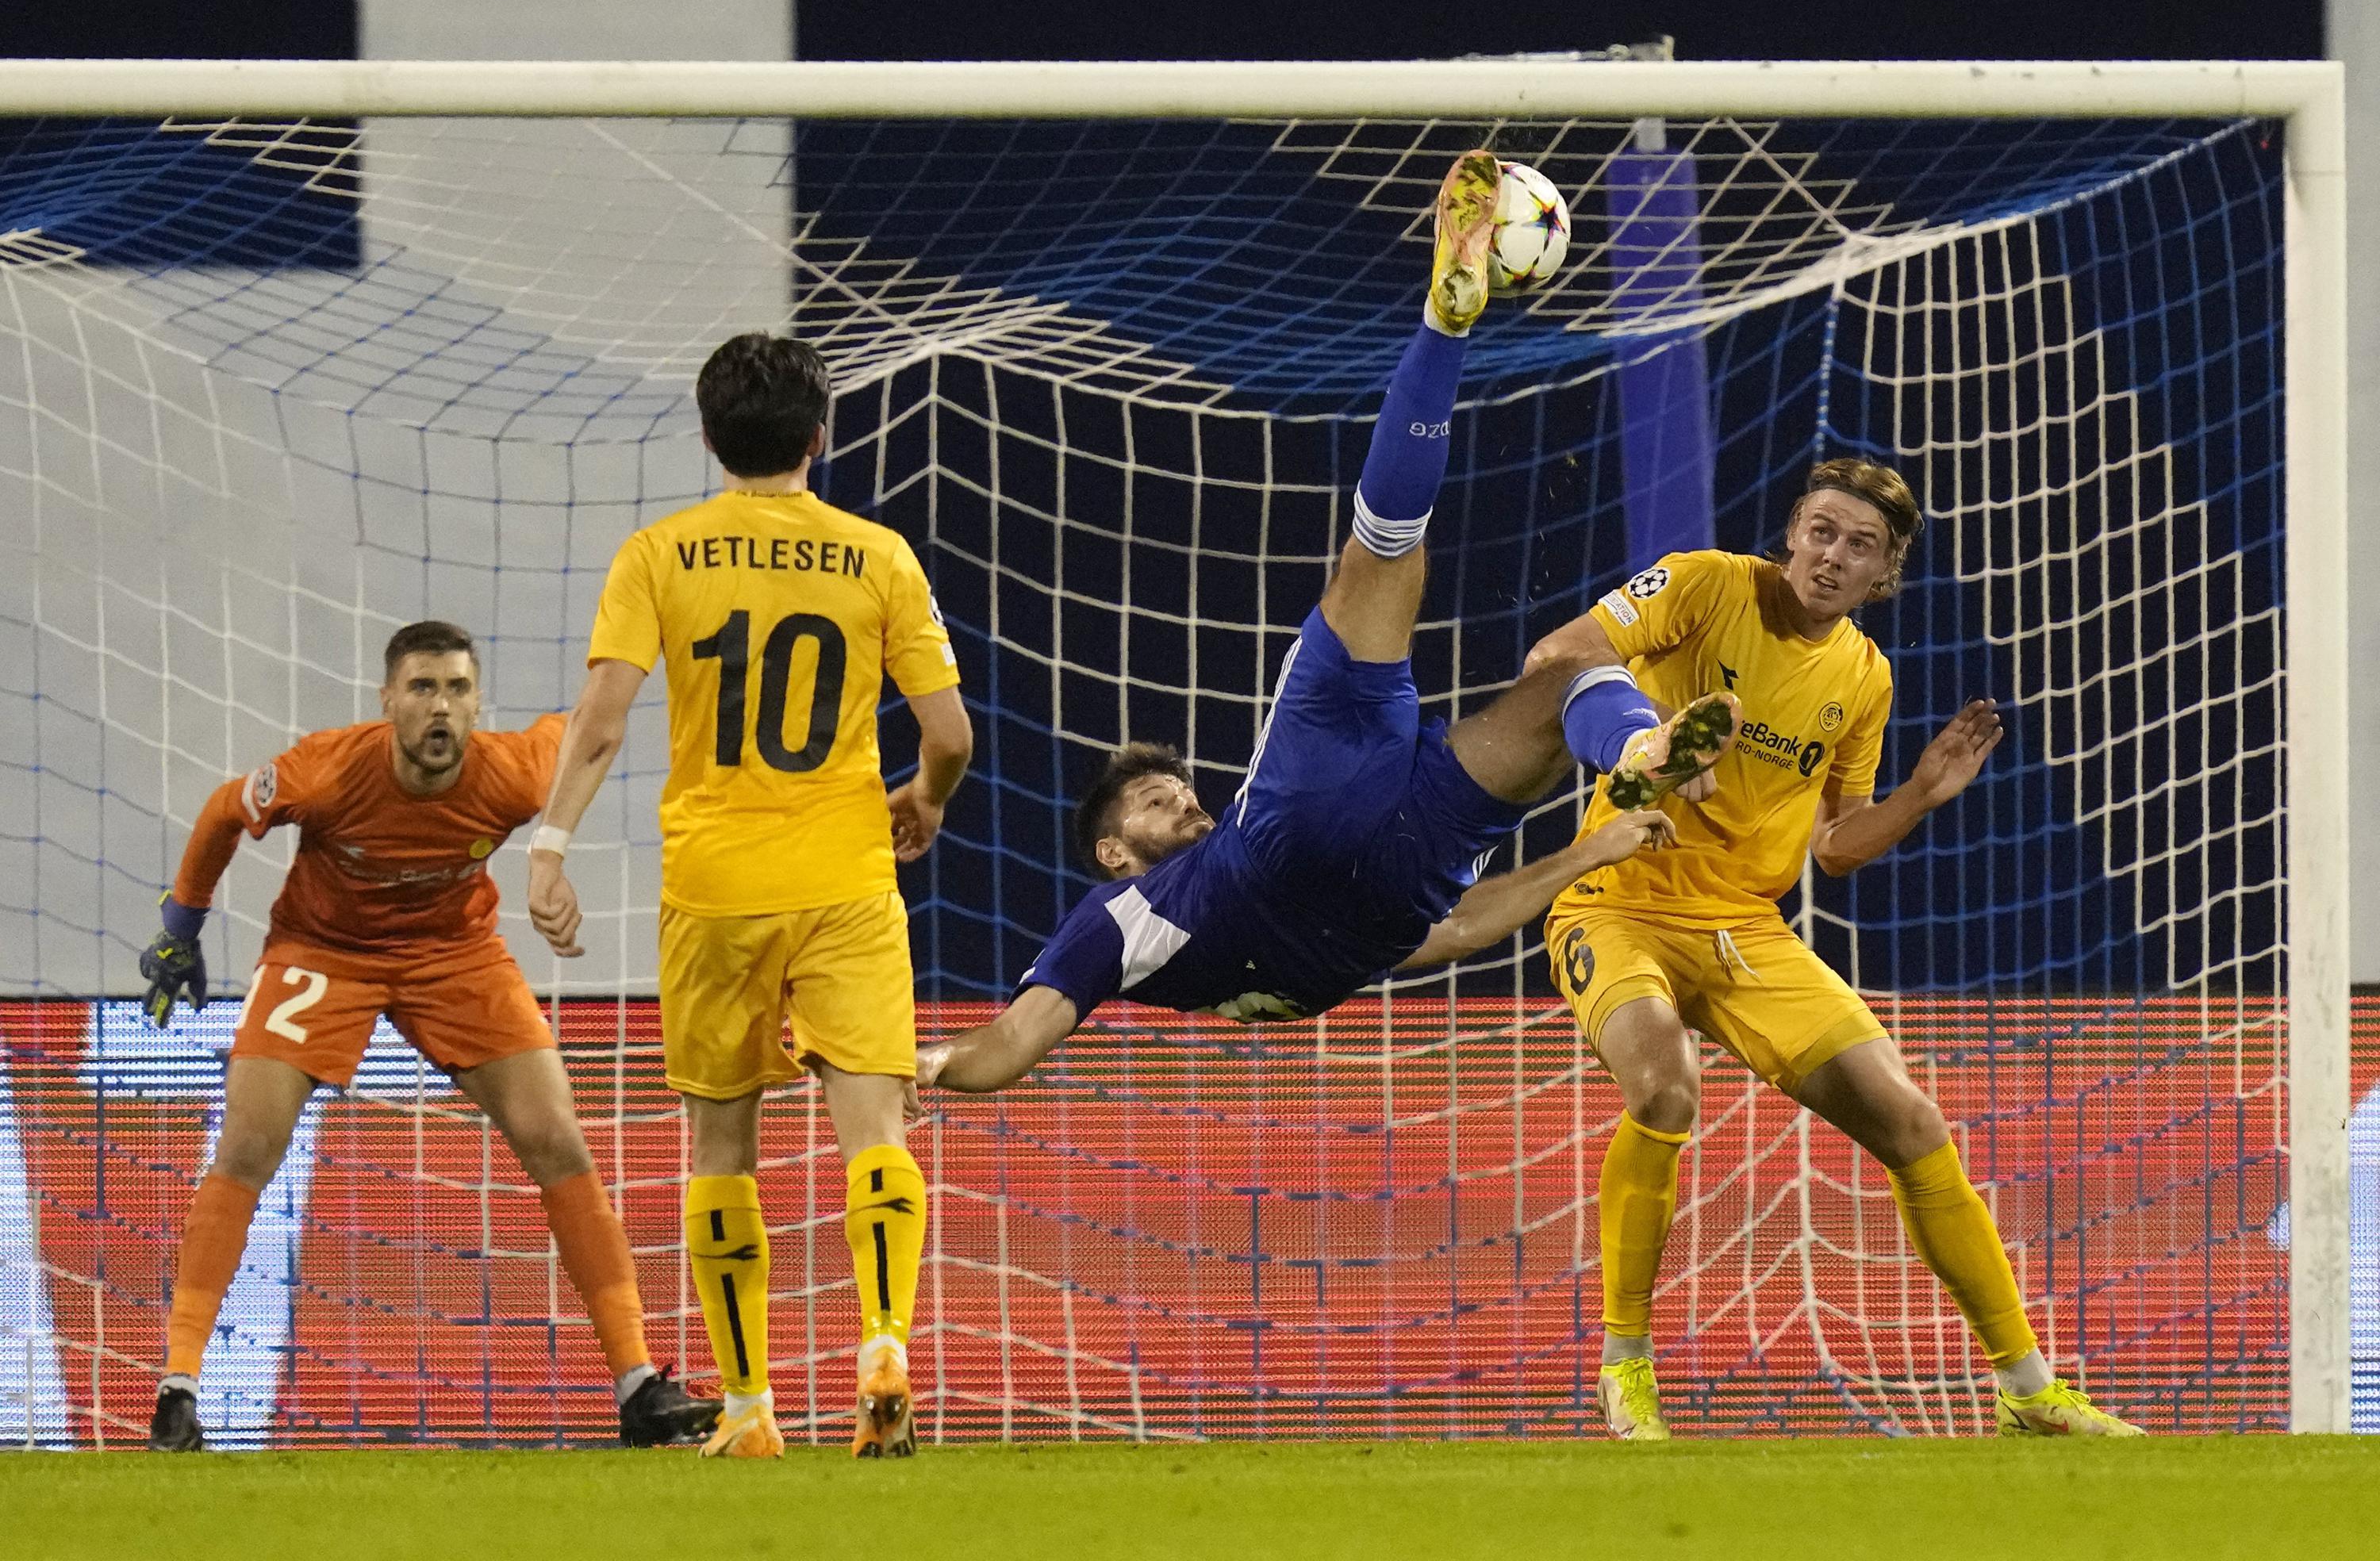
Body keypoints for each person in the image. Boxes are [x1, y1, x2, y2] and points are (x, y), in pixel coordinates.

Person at [915, 151, 1730, 1096]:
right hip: (1305, 836)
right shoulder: (1115, 917)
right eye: (1153, 802)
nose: (1182, 797)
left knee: (1553, 676)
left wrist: (1592, 845)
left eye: (1177, 786)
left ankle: (1638, 748)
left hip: (1352, 832)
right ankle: (1441, 323)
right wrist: (922, 1065)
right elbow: (1008, 1044)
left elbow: (1453, 934)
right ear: (1110, 851)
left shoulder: (1192, 917)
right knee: (1379, 554)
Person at [1537, 459, 2144, 1439]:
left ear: (1886, 570)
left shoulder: (1865, 675)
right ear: (1791, 532)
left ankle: (2030, 1387)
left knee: (1910, 1121)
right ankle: (1625, 1365)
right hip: (1617, 896)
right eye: (1821, 530)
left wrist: (1918, 797)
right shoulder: (1700, 582)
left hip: (1743, 928)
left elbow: (1836, 845)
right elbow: (1558, 653)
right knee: (1665, 1085)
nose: (1832, 555)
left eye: (1859, 544)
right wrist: (1645, 743)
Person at [527, 332, 973, 1460]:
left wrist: (550, 845)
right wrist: (919, 796)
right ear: (820, 435)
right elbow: (952, 736)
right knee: (875, 1132)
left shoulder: (659, 555)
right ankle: (883, 1341)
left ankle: (748, 1409)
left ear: (709, 436)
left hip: (715, 890)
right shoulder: (878, 556)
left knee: (720, 1150)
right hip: (845, 876)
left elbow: (605, 719)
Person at [135, 620, 718, 1452]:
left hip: (453, 953)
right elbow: (226, 807)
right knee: (248, 1144)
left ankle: (639, 1384)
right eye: (421, 688)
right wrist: (181, 927)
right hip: (321, 952)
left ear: (478, 703)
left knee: (558, 1136)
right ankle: (177, 1389)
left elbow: (591, 727)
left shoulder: (512, 770)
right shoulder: (330, 768)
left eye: (455, 688)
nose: (439, 706)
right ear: (389, 701)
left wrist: (550, 852)